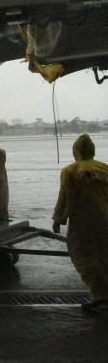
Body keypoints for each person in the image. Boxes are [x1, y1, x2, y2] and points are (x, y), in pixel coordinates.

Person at [53, 134, 108, 312]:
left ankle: (101, 295)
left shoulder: (70, 171)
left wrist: (58, 218)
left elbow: (67, 198)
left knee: (83, 256)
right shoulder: (105, 168)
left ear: (76, 150)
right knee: (104, 255)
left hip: (84, 222)